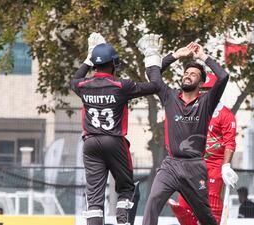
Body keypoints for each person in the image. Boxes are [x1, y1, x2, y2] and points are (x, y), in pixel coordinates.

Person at [70, 32, 162, 225]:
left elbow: (74, 79)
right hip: (114, 141)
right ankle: (122, 222)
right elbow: (155, 86)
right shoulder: (122, 85)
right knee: (126, 188)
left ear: (95, 64)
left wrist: (88, 59)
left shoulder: (83, 85)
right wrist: (152, 57)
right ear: (113, 63)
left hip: (90, 143)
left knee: (94, 197)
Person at [137, 35, 229, 225]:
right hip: (170, 165)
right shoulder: (170, 96)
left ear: (201, 83)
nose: (187, 75)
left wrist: (203, 57)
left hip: (194, 167)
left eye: (193, 74)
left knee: (206, 218)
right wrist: (175, 55)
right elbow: (153, 75)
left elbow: (223, 76)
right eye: (186, 73)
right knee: (153, 200)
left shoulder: (206, 101)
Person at [168, 72, 239, 225]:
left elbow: (230, 142)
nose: (205, 94)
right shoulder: (192, 110)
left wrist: (226, 166)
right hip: (192, 164)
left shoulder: (225, 115)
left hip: (214, 165)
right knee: (185, 202)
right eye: (203, 90)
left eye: (209, 90)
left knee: (211, 201)